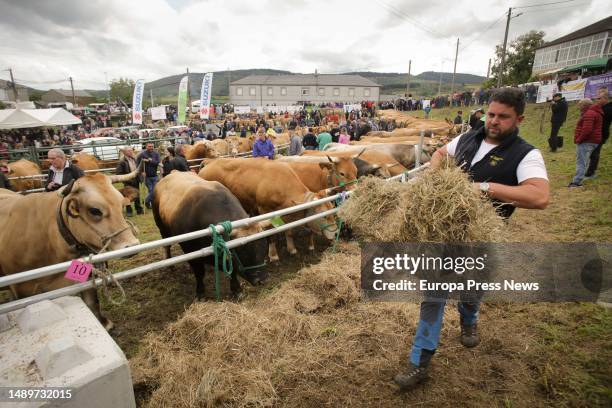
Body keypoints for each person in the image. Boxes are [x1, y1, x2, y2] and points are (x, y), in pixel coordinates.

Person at [394, 88, 549, 391]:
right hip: (444, 237)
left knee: (471, 290)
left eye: (503, 117)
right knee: (433, 297)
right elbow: (440, 154)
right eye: (491, 114)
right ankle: (419, 362)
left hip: (481, 239)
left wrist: (484, 188)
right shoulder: (468, 137)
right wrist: (439, 176)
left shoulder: (526, 153)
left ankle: (469, 318)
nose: (493, 121)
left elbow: (539, 195)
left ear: (519, 118)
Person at [568, 98, 603, 188]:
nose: (578, 107)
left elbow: (587, 129)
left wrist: (579, 139)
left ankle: (577, 182)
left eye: (580, 105)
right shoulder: (595, 112)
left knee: (581, 162)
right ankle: (581, 177)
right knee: (584, 161)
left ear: (585, 105)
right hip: (593, 140)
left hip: (587, 141)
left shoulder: (589, 114)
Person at [585, 87, 612, 179]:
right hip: (596, 133)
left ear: (605, 98)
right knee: (592, 153)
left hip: (601, 134)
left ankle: (591, 173)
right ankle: (590, 170)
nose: (597, 100)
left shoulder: (608, 109)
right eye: (597, 98)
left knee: (594, 153)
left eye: (599, 98)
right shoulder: (601, 107)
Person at [115, 147, 143, 217]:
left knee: (137, 195)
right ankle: (129, 211)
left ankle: (139, 210)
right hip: (128, 182)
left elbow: (138, 169)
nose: (131, 152)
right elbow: (119, 173)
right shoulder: (122, 162)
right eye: (129, 151)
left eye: (131, 151)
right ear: (125, 153)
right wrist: (126, 179)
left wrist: (141, 174)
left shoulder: (135, 159)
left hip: (136, 180)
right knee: (128, 197)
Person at [136, 142, 160, 209]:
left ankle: (146, 201)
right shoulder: (142, 154)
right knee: (151, 190)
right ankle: (151, 204)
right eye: (149, 146)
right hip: (146, 176)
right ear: (146, 147)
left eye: (152, 146)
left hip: (155, 175)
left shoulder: (156, 154)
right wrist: (141, 172)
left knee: (155, 190)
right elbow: (137, 164)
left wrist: (150, 161)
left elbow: (157, 162)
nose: (151, 148)